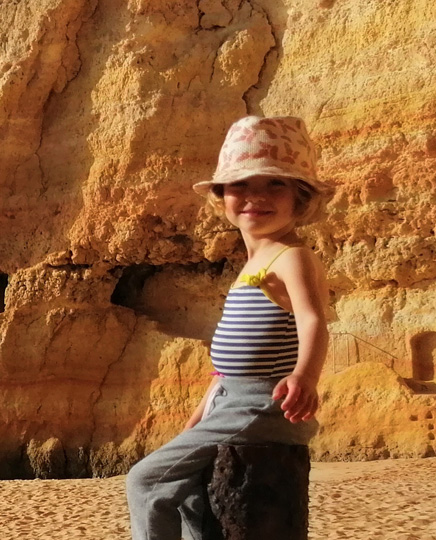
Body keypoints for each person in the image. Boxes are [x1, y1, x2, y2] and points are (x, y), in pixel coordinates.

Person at [125, 115, 332, 540]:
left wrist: (305, 375)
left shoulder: (291, 256)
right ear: (221, 198)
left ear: (301, 198)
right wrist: (199, 416)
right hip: (230, 401)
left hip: (261, 403)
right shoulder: (253, 265)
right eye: (240, 186)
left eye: (274, 184)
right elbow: (226, 369)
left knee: (144, 481)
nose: (256, 197)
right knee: (188, 491)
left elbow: (314, 319)